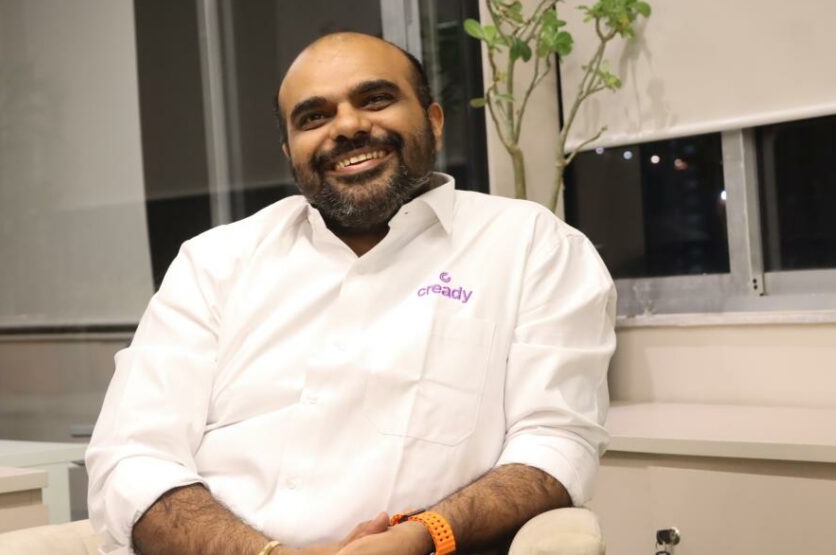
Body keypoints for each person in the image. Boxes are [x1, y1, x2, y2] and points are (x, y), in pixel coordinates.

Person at [86, 32, 616, 555]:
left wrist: (421, 536)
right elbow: (131, 458)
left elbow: (557, 442)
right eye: (314, 117)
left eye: (376, 99)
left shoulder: (532, 246)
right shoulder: (214, 263)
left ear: (433, 120)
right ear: (290, 151)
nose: (347, 126)